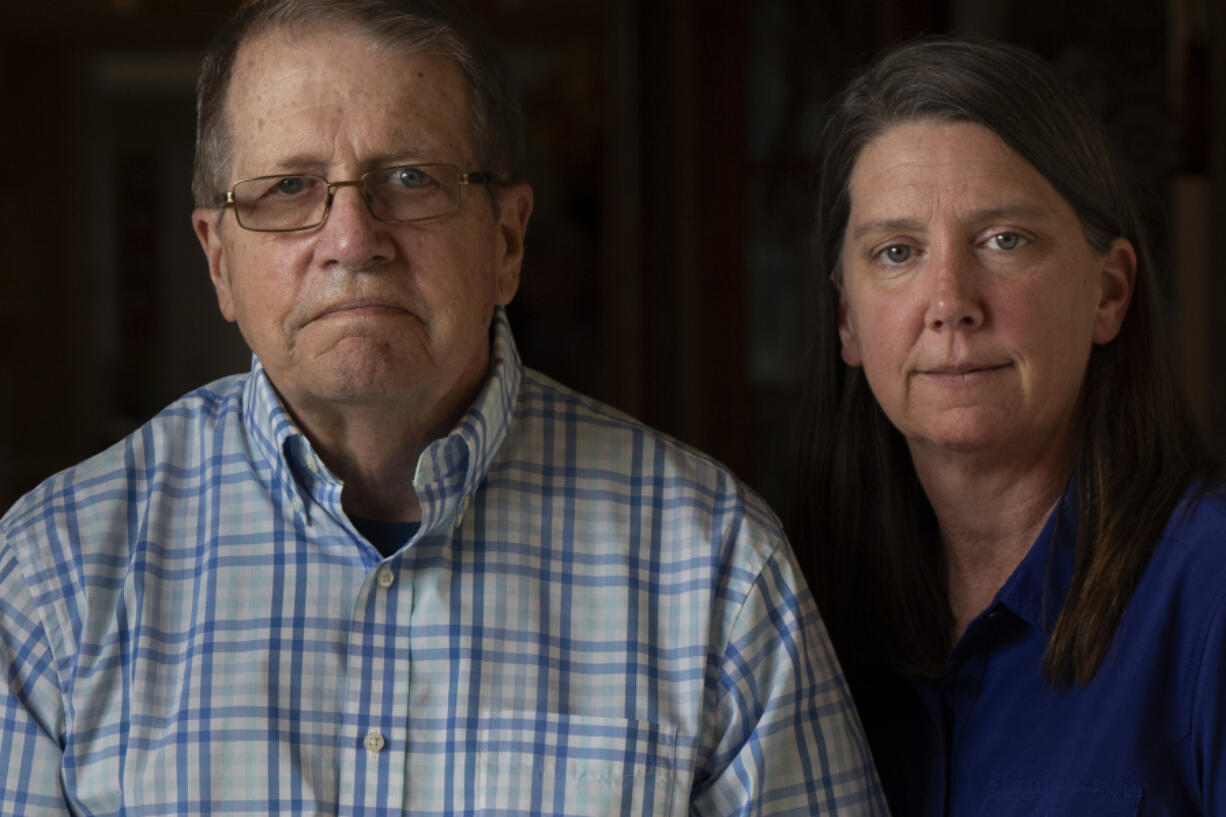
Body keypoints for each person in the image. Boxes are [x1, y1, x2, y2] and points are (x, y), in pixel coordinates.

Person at [0, 1, 887, 814]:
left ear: (507, 238)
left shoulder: (713, 565)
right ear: (218, 259)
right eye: (288, 190)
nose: (351, 240)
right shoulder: (57, 574)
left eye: (413, 178)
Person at [792, 36, 1225, 816]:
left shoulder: (1209, 591)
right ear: (845, 320)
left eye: (1005, 240)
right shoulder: (798, 610)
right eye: (897, 251)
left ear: (1110, 291)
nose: (950, 299)